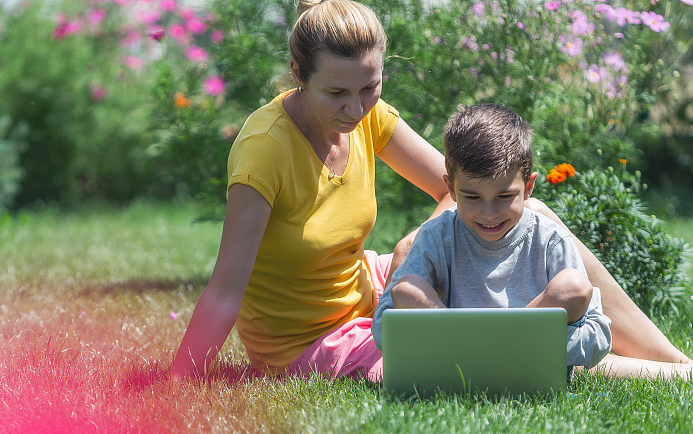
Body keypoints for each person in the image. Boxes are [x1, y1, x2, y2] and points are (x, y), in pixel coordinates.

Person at [170, 0, 692, 382]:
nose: (356, 109)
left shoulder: (367, 118)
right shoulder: (265, 150)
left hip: (367, 287)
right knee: (471, 364)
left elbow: (457, 185)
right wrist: (176, 385)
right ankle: (654, 377)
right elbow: (224, 292)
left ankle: (672, 359)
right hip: (306, 339)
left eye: (369, 87)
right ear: (297, 76)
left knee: (529, 211)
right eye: (336, 93)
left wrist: (416, 238)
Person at [371, 103, 612, 377]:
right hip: (455, 362)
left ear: (528, 187)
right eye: (472, 197)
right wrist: (465, 345)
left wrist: (518, 348)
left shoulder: (549, 240)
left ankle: (485, 353)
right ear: (451, 188)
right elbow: (382, 326)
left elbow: (599, 335)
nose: (489, 213)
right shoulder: (437, 236)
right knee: (406, 289)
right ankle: (468, 354)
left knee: (574, 286)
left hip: (529, 366)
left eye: (505, 197)